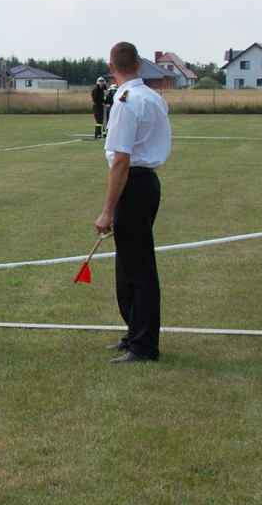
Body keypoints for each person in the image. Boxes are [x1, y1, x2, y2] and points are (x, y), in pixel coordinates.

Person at [95, 43, 171, 363]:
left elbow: (121, 162)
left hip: (134, 184)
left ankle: (144, 345)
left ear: (112, 66)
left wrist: (107, 211)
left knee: (137, 270)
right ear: (138, 64)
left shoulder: (125, 102)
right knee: (127, 267)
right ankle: (134, 332)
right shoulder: (153, 97)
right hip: (145, 183)